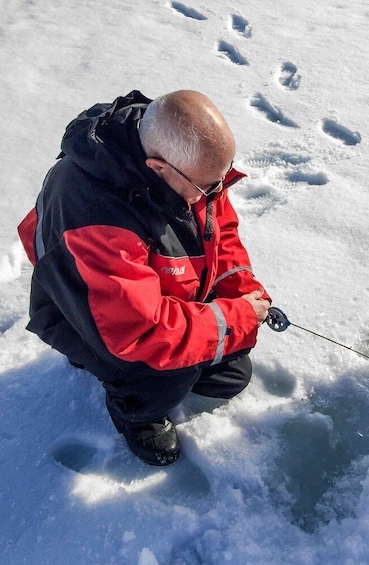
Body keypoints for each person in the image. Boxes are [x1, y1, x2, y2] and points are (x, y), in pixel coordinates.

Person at [18, 90, 271, 466]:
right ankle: (135, 410)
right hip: (92, 316)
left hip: (153, 293)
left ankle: (166, 367)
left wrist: (241, 288)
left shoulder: (191, 163)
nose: (217, 191)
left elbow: (220, 231)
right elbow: (142, 331)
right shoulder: (94, 215)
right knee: (166, 373)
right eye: (209, 187)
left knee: (229, 371)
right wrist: (236, 319)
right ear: (158, 168)